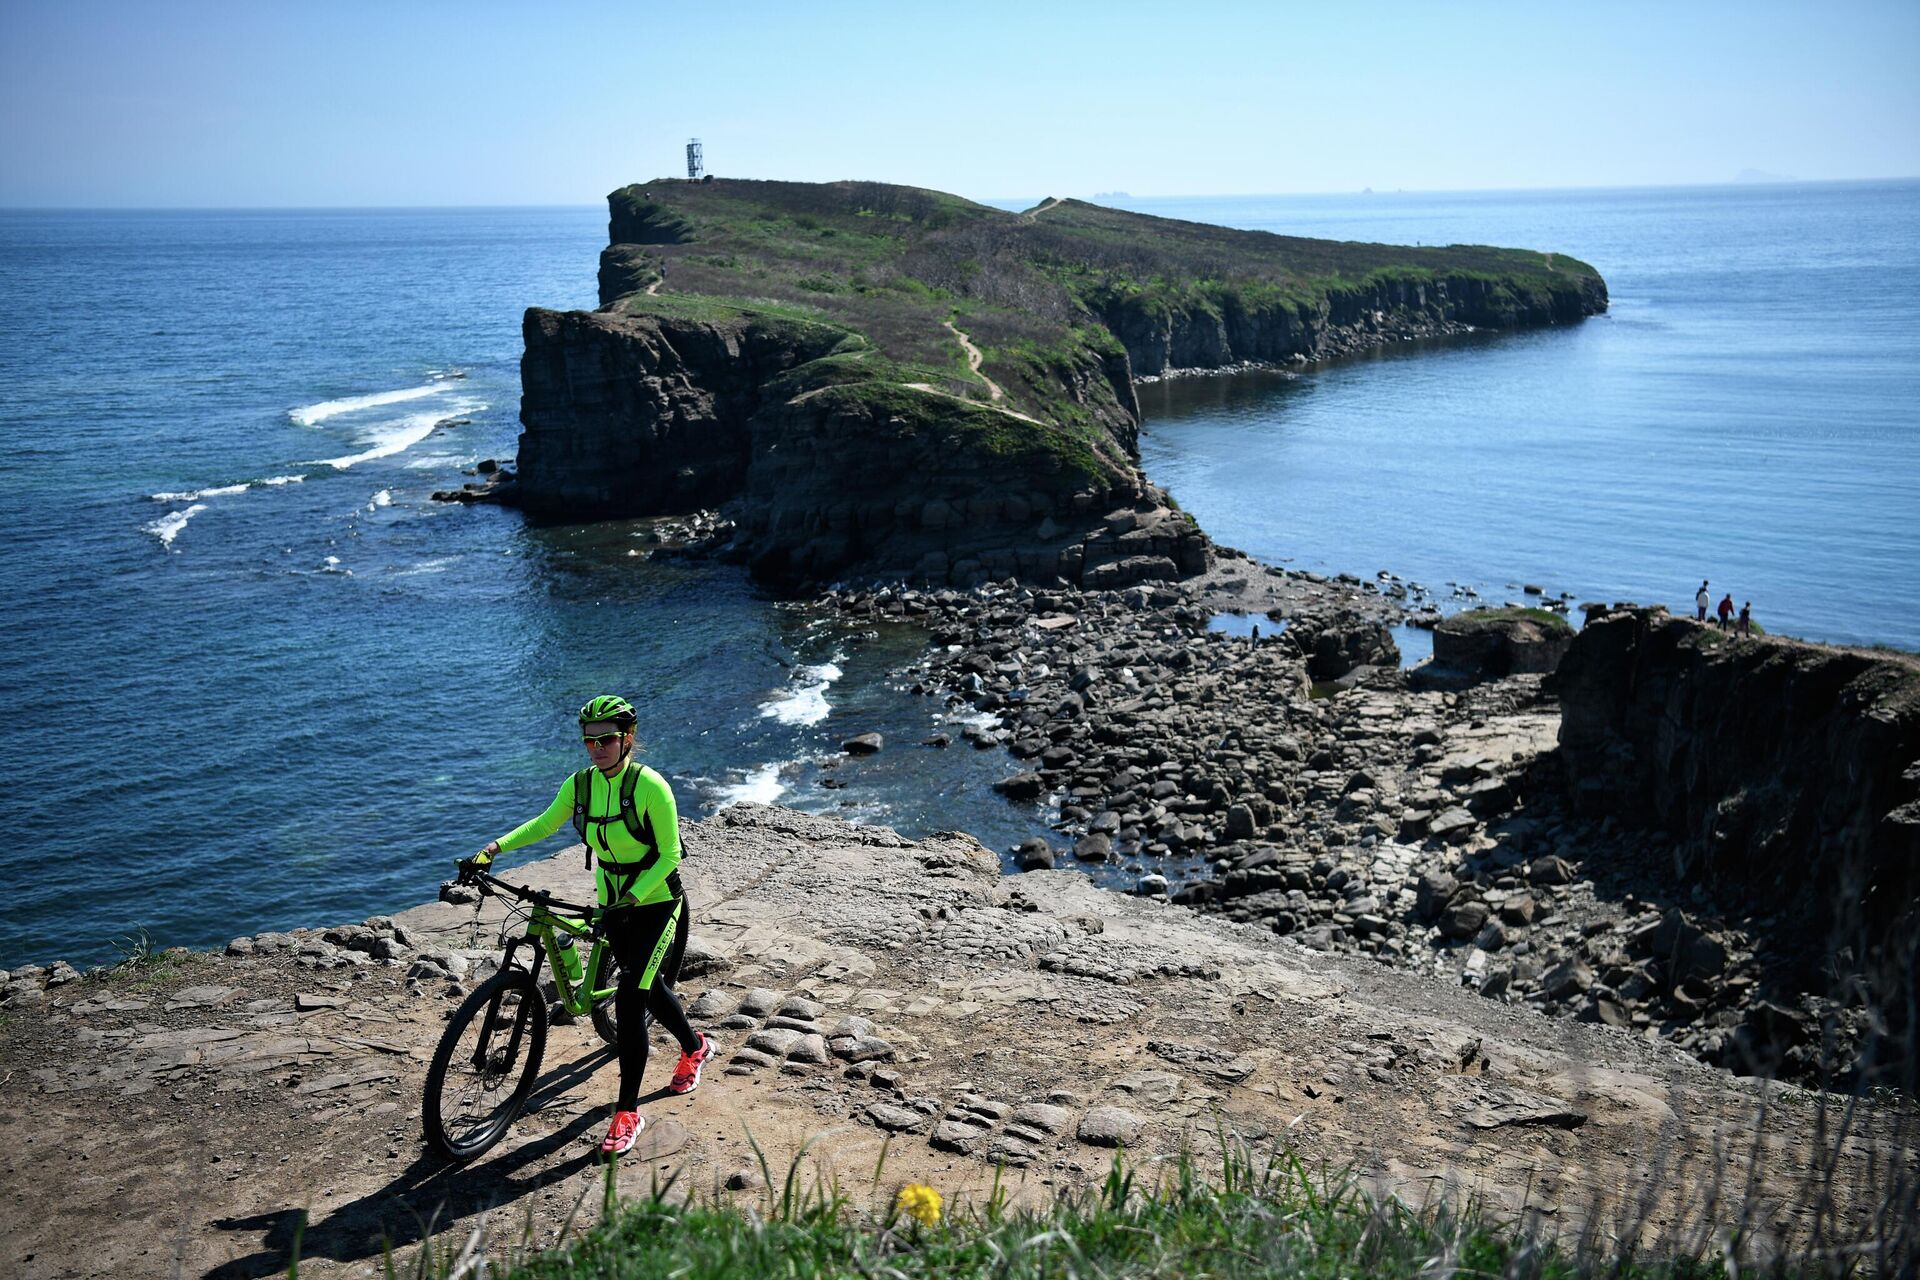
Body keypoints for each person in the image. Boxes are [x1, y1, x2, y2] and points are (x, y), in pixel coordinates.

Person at [460, 694, 713, 1157]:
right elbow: (543, 825)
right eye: (589, 740)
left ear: (627, 739)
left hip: (657, 902)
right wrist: (491, 850)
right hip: (613, 903)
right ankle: (694, 1046)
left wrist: (633, 899)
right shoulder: (580, 785)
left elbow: (672, 854)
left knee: (632, 996)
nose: (596, 748)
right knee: (649, 987)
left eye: (607, 739)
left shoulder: (650, 786)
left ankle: (627, 1113)